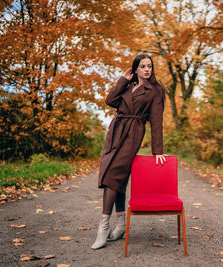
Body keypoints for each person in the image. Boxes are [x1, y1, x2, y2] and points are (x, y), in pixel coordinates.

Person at [91, 54, 166, 249]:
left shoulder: (155, 90)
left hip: (133, 132)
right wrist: (123, 80)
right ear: (136, 69)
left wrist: (157, 150)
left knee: (112, 175)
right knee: (119, 179)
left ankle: (103, 227)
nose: (147, 70)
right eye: (142, 66)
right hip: (115, 131)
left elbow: (156, 122)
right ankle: (121, 224)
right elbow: (110, 100)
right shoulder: (127, 85)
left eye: (149, 66)